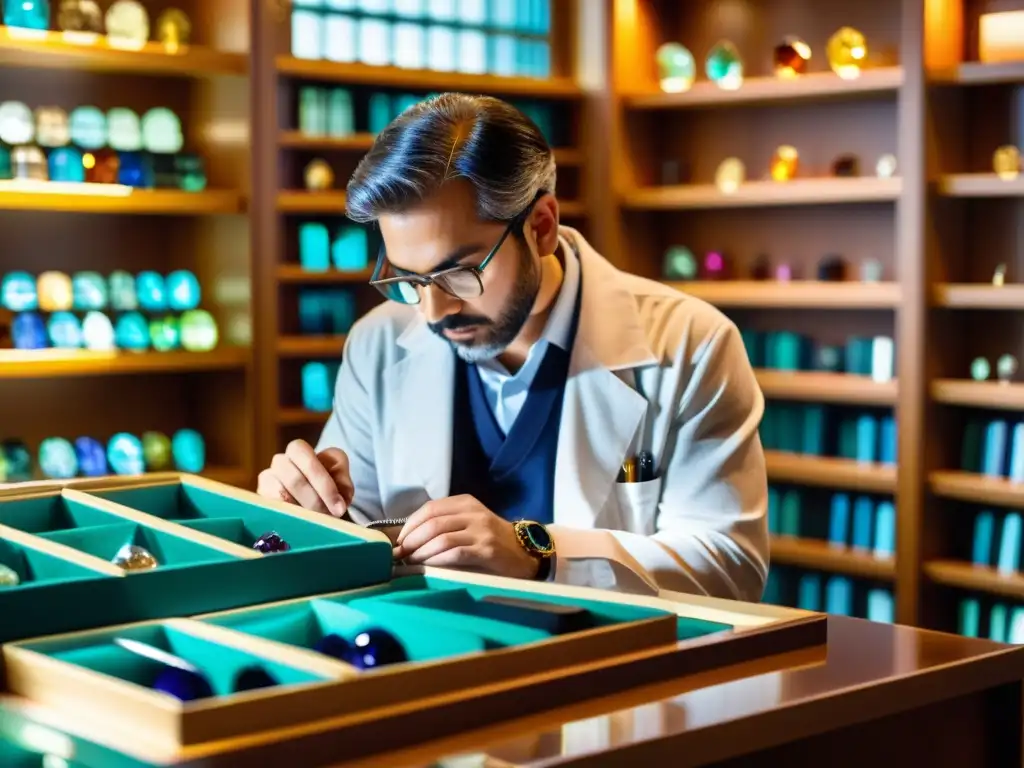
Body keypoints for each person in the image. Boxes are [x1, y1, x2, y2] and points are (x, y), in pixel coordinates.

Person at [258, 93, 769, 600]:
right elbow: (367, 538)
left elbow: (731, 567)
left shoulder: (692, 344)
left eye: (458, 273)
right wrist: (307, 516)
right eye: (408, 278)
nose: (432, 312)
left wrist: (538, 554)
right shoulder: (379, 343)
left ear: (541, 226)